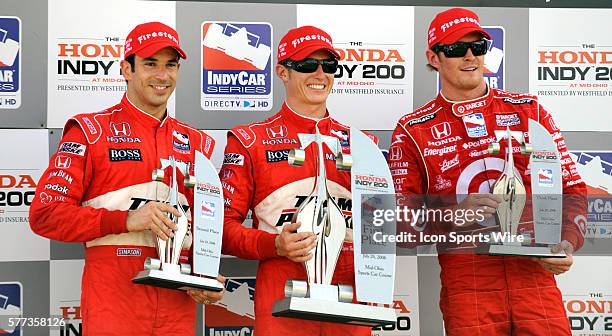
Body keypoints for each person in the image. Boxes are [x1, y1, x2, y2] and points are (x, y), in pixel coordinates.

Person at [389, 8, 588, 336]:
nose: (470, 56)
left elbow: (573, 188)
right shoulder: (412, 130)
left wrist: (566, 241)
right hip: (469, 289)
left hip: (535, 282)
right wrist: (453, 216)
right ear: (433, 58)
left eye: (478, 47)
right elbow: (399, 222)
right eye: (455, 49)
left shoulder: (529, 111)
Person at [29, 22, 224, 335]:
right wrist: (127, 220)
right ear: (126, 69)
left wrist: (204, 277)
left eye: (170, 65)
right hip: (115, 303)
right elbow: (45, 215)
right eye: (150, 64)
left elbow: (205, 229)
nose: (162, 75)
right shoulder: (90, 132)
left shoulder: (198, 142)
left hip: (177, 309)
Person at [219, 25, 372, 336]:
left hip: (350, 287)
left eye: (329, 66)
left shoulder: (362, 145)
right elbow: (218, 228)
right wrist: (274, 244)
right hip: (282, 284)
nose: (320, 74)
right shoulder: (250, 140)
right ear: (282, 72)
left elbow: (381, 226)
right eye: (305, 65)